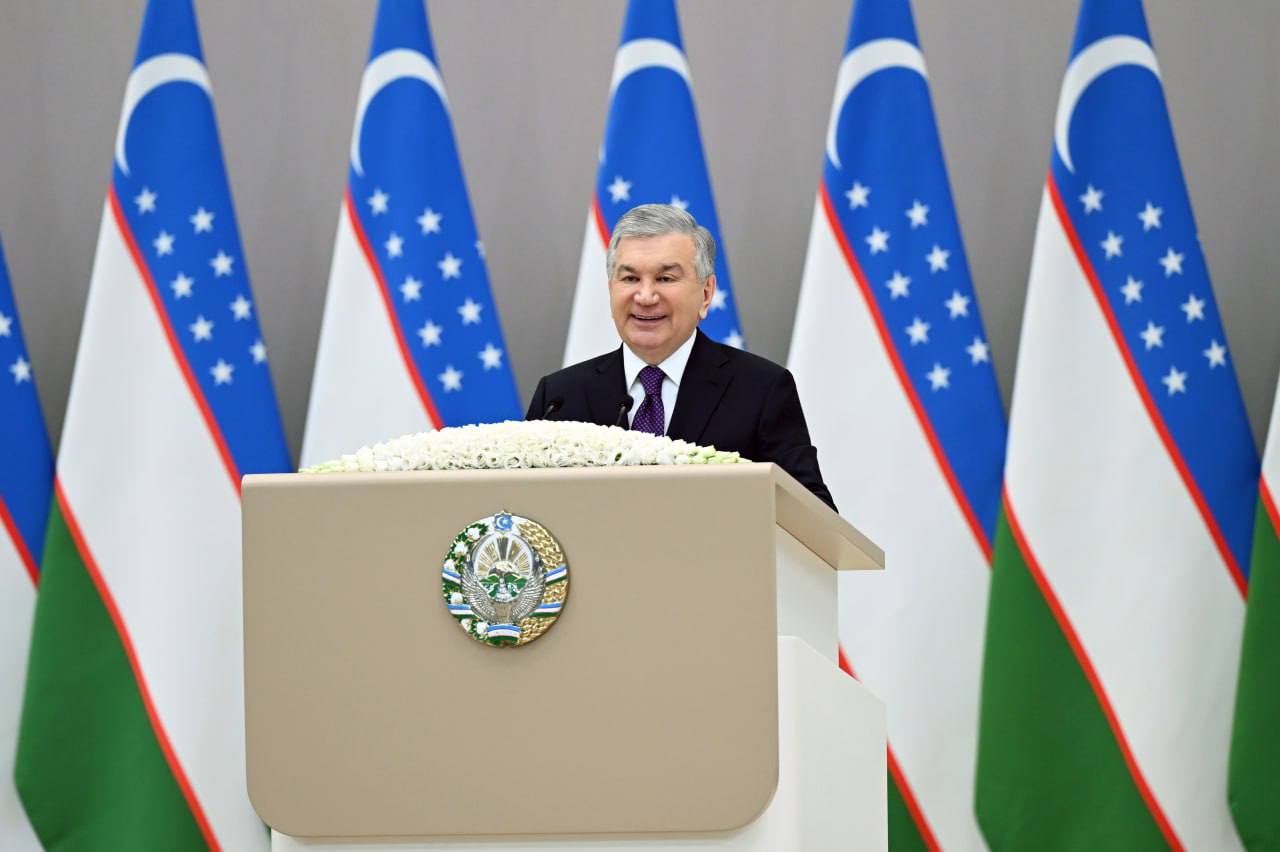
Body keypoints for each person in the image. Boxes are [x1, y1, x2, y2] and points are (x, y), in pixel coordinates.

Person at [527, 203, 836, 511]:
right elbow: (522, 512)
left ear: (706, 293)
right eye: (630, 279)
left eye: (665, 278)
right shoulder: (559, 397)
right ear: (611, 289)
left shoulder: (761, 389)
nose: (645, 296)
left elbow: (812, 516)